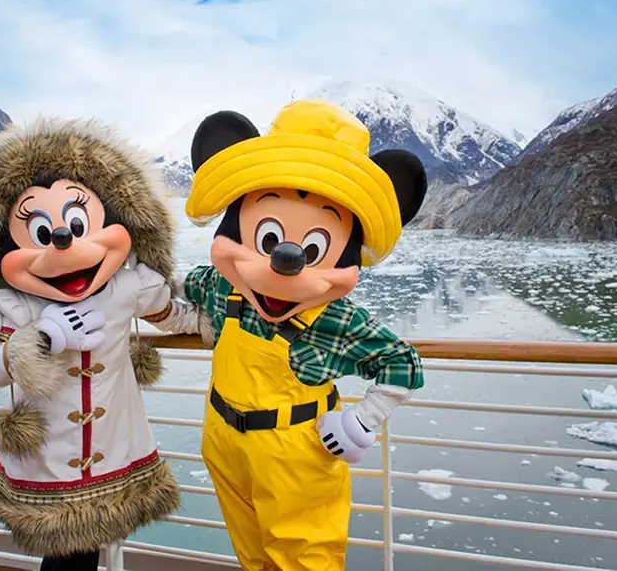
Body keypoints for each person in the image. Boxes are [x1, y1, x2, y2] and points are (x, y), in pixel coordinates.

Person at [0, 117, 198, 570]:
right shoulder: (14, 301)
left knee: (84, 553)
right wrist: (40, 339)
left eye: (78, 223)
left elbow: (170, 312)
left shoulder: (128, 285)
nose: (63, 241)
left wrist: (217, 322)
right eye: (41, 233)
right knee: (66, 556)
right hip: (46, 460)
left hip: (113, 452)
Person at [176, 98, 428, 570]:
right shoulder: (224, 287)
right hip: (224, 440)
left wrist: (361, 421)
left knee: (306, 559)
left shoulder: (335, 318)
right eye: (269, 238)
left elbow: (402, 364)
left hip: (295, 454)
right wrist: (148, 302)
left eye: (312, 248)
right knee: (251, 554)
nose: (285, 259)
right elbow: (182, 292)